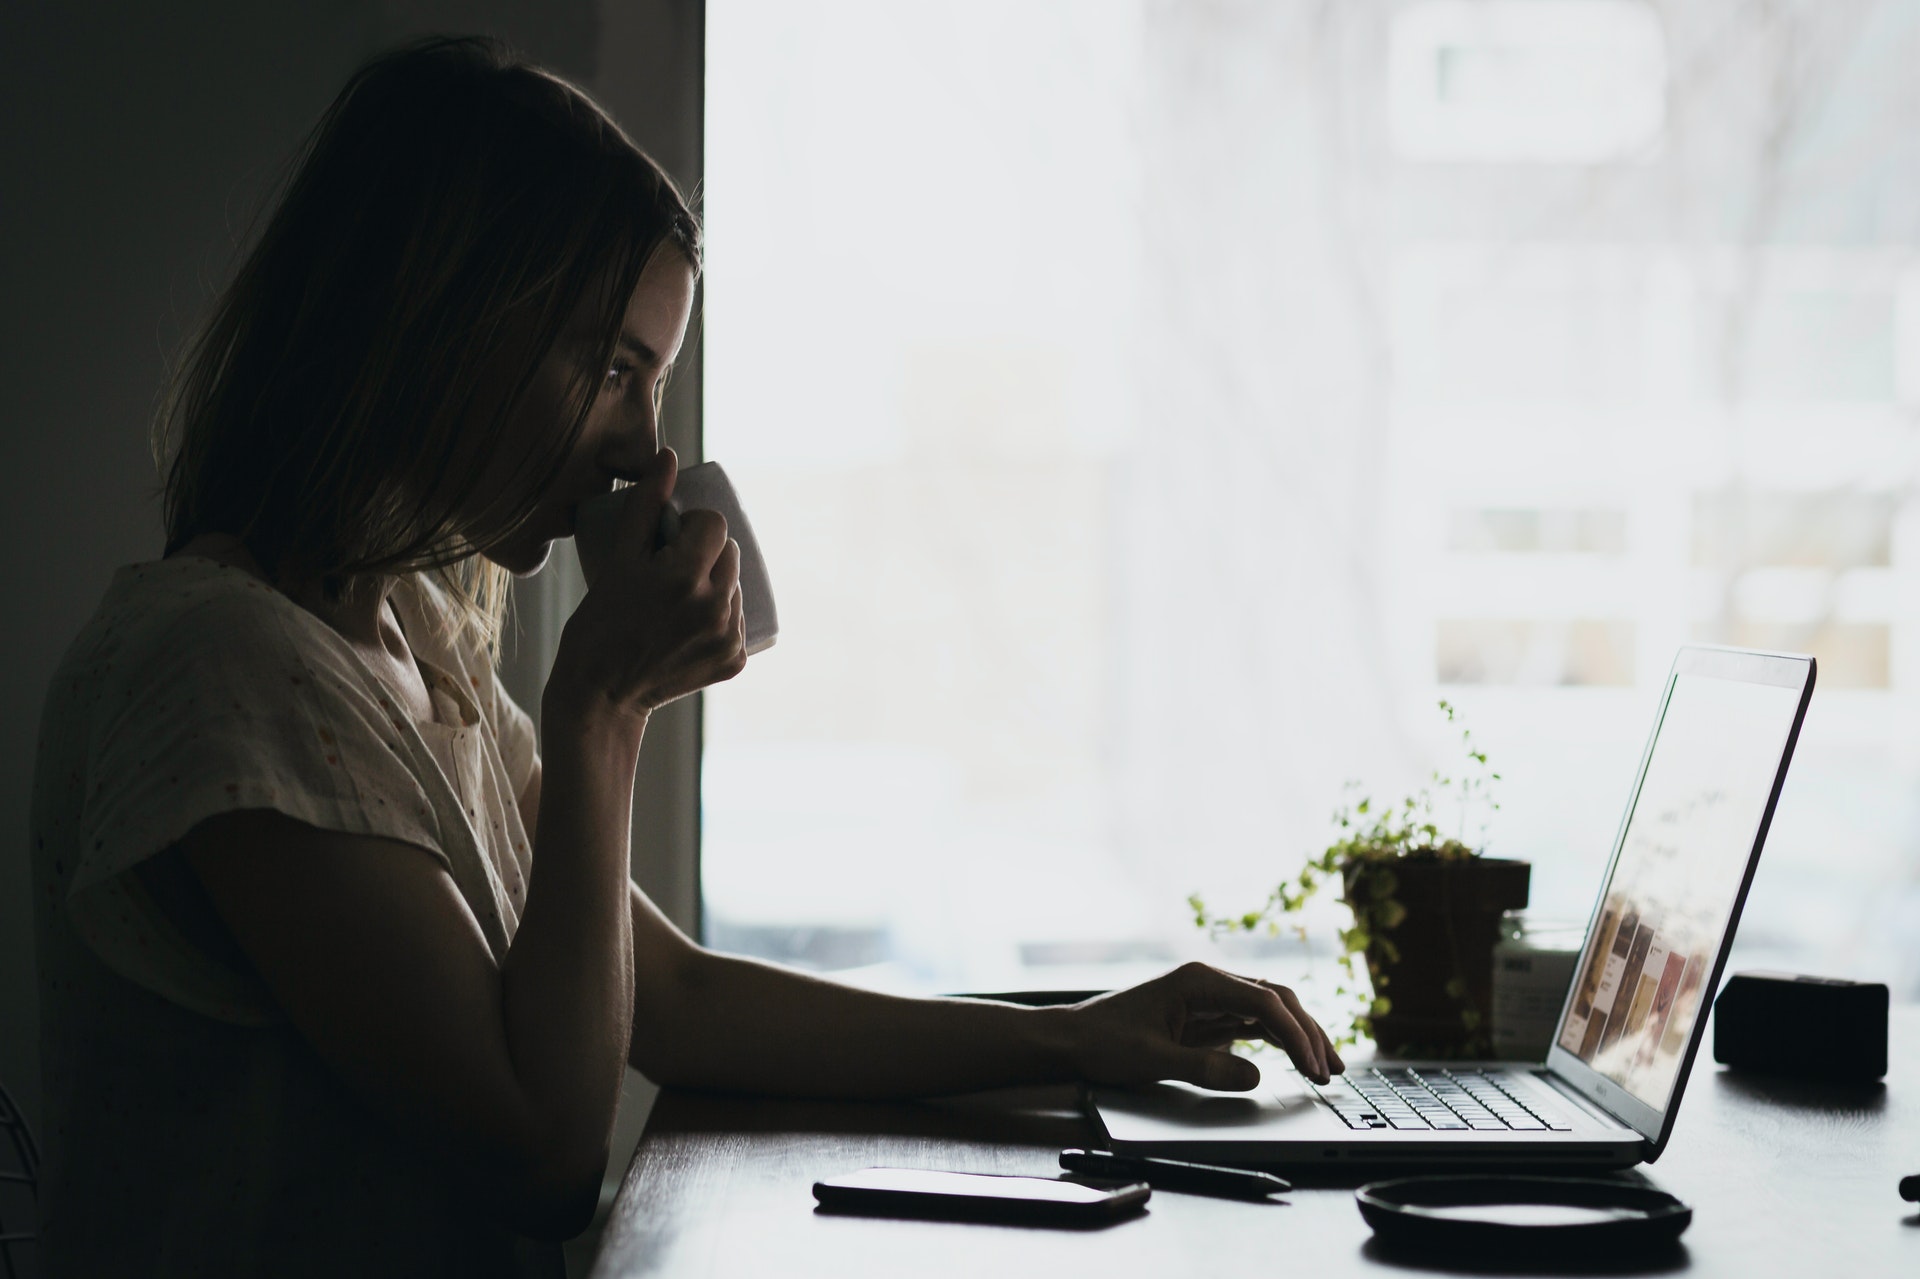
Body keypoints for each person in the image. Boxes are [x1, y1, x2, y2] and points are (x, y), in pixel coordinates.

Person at [28, 36, 1340, 1278]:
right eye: (612, 367)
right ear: (439, 324)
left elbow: (674, 998)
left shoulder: (410, 646)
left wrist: (1085, 1034)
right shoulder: (223, 669)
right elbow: (537, 1151)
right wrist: (602, 704)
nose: (642, 451)